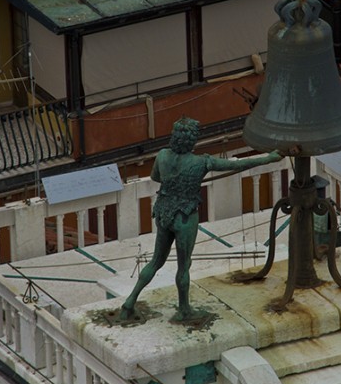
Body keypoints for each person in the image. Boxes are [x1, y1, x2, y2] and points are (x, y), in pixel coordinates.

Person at [120, 118, 283, 321]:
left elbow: (156, 178)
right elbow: (239, 164)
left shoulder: (162, 156)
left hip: (163, 213)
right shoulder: (201, 162)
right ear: (192, 141)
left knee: (155, 261)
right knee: (183, 266)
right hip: (185, 216)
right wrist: (270, 158)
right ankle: (184, 309)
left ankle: (129, 302)